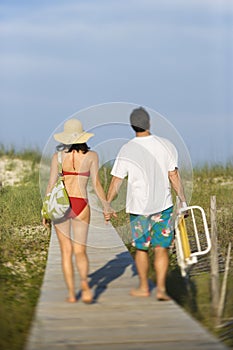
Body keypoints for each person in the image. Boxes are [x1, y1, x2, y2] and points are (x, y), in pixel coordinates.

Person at [105, 107, 187, 301]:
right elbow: (173, 174)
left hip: (138, 208)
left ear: (132, 126)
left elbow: (117, 180)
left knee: (142, 248)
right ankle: (160, 289)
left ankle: (143, 287)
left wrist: (108, 203)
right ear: (149, 123)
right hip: (163, 206)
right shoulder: (166, 144)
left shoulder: (127, 148)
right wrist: (182, 199)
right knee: (161, 247)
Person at [43, 119, 108, 303]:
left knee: (66, 252)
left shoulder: (58, 157)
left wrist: (45, 211)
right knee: (80, 251)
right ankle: (85, 287)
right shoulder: (92, 156)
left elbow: (50, 184)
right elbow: (96, 184)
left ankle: (72, 294)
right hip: (81, 204)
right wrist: (106, 206)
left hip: (61, 205)